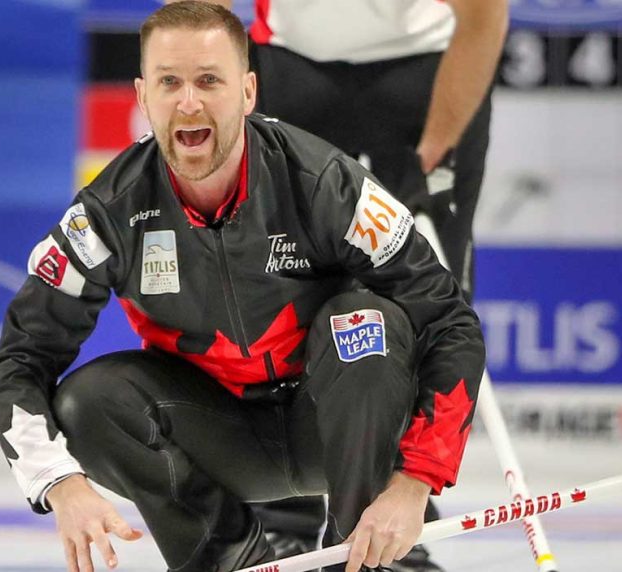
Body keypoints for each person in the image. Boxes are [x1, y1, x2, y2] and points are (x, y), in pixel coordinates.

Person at [0, 3, 485, 572]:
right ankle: (225, 558)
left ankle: (360, 556)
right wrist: (60, 484)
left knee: (364, 322)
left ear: (248, 93)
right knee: (87, 402)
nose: (188, 102)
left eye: (208, 81)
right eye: (169, 82)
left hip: (338, 426)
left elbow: (451, 323)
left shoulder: (324, 183)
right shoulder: (106, 215)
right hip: (225, 436)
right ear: (143, 96)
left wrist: (414, 482)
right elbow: (19, 361)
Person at [166, 2, 508, 568]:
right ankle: (283, 518)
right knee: (272, 287)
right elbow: (199, 14)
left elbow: (483, 17)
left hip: (427, 75)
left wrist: (436, 149)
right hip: (290, 71)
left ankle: (399, 523)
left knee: (423, 302)